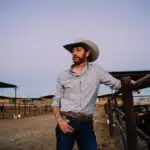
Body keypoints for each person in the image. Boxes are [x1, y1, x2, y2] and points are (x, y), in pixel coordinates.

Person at [52, 39, 121, 150]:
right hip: (66, 122)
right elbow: (56, 101)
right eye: (73, 51)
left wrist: (132, 84)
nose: (74, 53)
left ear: (87, 53)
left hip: (86, 124)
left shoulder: (97, 71)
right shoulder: (63, 75)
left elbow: (115, 83)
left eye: (78, 50)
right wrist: (60, 121)